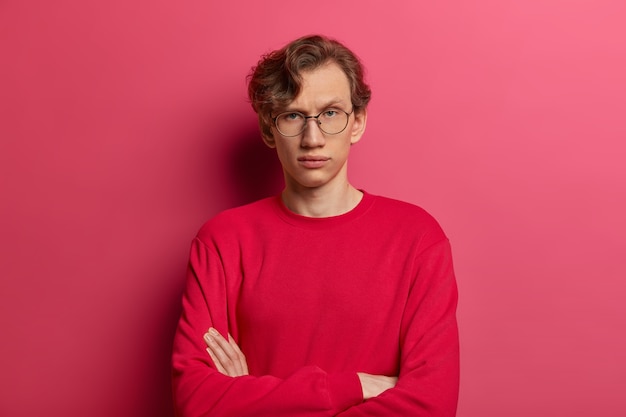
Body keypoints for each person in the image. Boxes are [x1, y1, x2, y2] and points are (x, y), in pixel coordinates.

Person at [171, 34, 459, 416]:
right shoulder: (222, 242)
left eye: (330, 114)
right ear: (268, 130)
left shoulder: (418, 238)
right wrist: (352, 385)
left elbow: (430, 405)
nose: (312, 137)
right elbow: (197, 401)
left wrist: (251, 399)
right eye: (293, 115)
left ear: (357, 123)